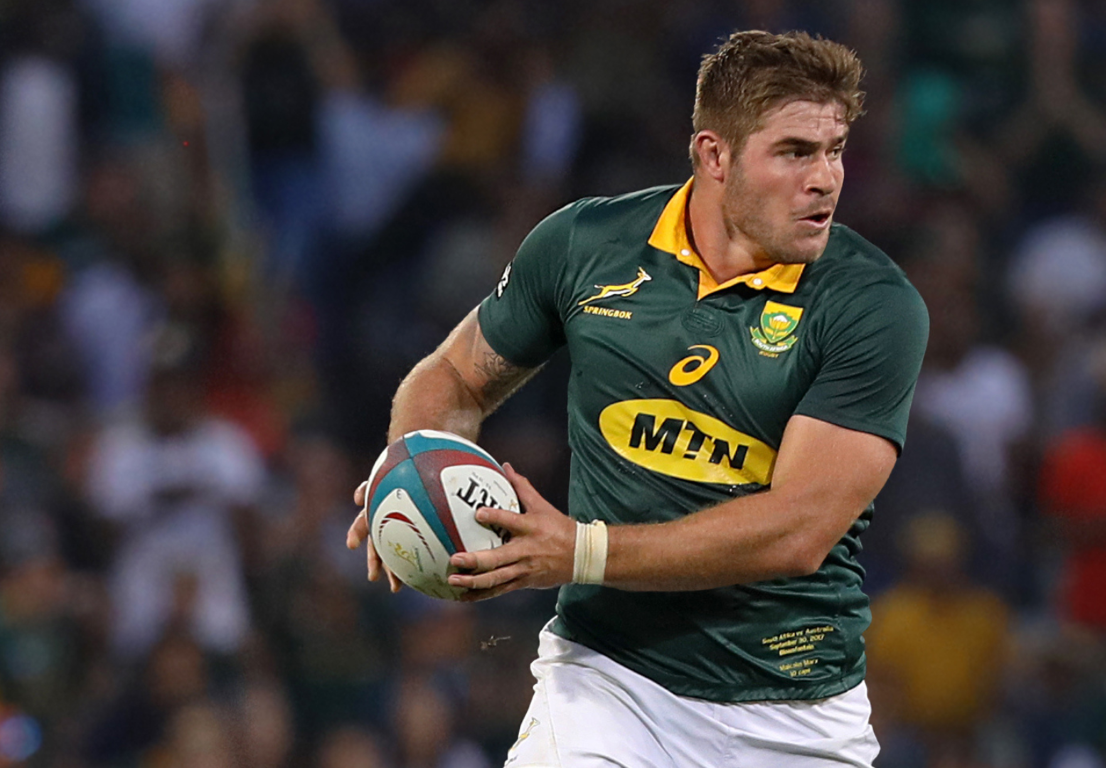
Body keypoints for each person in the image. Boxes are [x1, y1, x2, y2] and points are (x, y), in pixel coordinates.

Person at [346, 30, 929, 767]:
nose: (826, 179)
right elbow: (454, 377)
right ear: (715, 156)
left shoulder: (873, 306)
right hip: (609, 684)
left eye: (835, 150)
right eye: (794, 152)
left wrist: (579, 550)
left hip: (793, 711)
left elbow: (798, 529)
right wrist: (411, 467)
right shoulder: (586, 244)